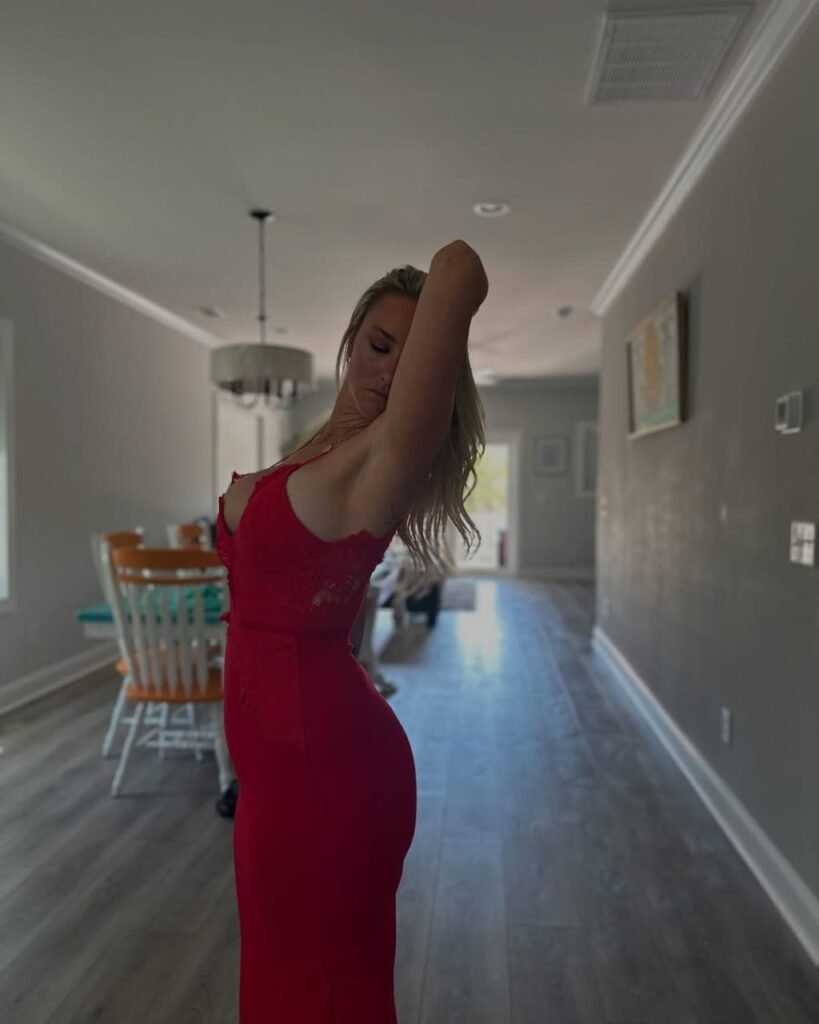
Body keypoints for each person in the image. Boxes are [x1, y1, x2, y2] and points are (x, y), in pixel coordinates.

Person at [215, 239, 488, 1022]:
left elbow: (459, 266)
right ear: (349, 339)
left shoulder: (386, 459)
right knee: (282, 972)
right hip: (273, 769)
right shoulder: (308, 453)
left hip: (328, 768)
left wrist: (429, 338)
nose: (387, 371)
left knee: (325, 989)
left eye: (411, 357)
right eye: (377, 345)